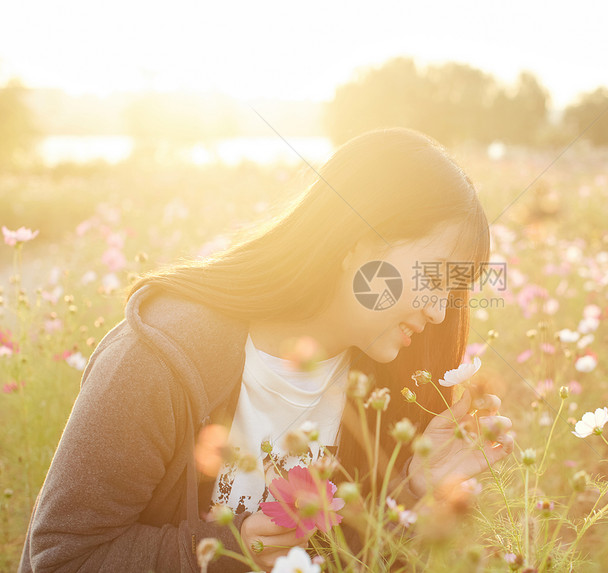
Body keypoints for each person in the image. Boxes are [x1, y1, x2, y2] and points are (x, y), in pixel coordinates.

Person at [19, 127, 514, 572]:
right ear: (359, 243)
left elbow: (352, 559)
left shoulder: (381, 387)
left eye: (453, 290)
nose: (440, 314)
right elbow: (61, 559)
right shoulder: (156, 360)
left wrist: (413, 490)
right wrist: (227, 551)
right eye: (434, 273)